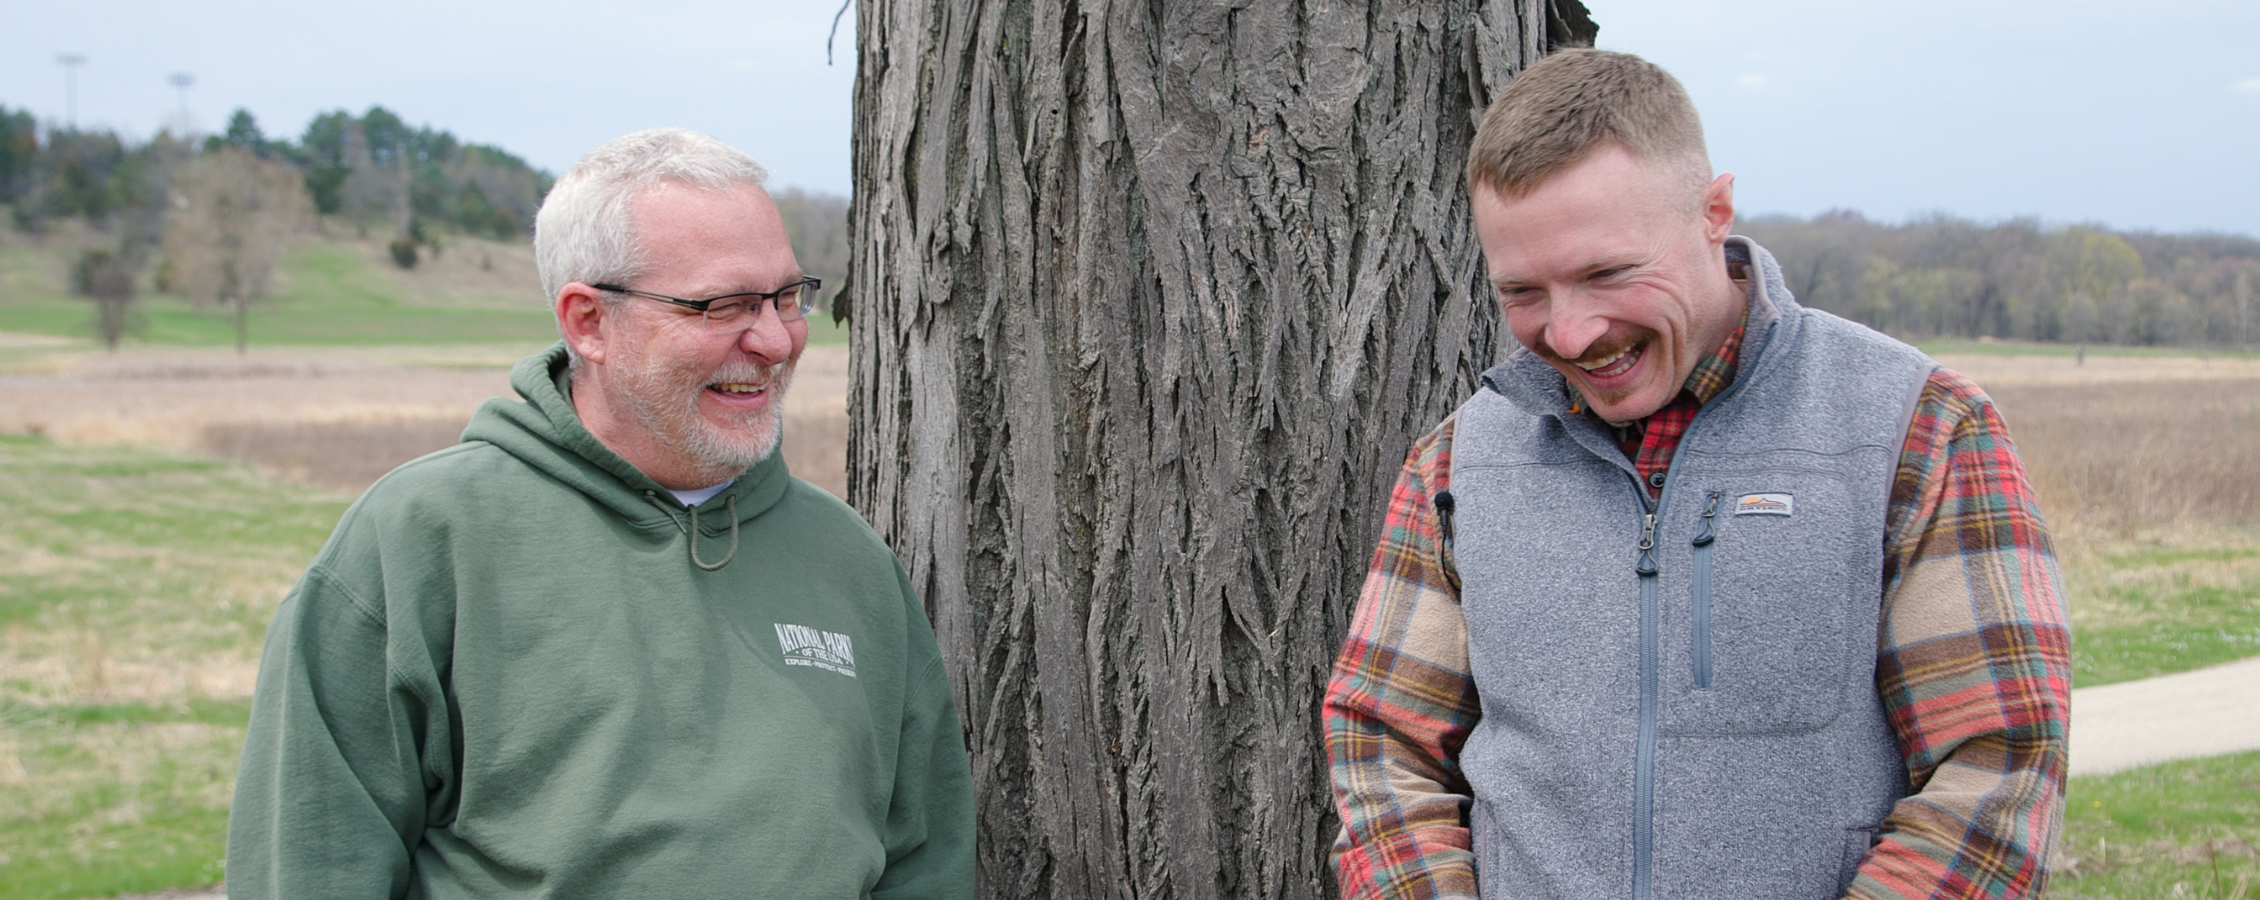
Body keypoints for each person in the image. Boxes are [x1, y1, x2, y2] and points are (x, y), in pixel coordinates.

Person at [1324, 50, 2069, 900]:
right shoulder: (1461, 461)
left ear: (1714, 212)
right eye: (1523, 291)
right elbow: (1382, 740)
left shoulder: (1918, 427)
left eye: (1607, 273)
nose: (1569, 335)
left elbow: (1998, 768)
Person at [227, 128, 975, 899]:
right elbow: (313, 861)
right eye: (723, 305)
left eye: (788, 297)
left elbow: (925, 861)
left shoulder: (847, 560)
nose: (776, 339)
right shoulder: (422, 540)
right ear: (589, 323)